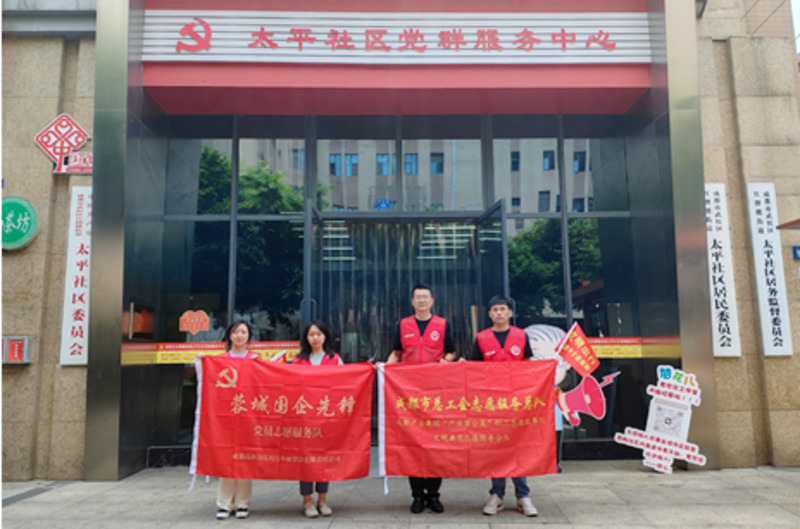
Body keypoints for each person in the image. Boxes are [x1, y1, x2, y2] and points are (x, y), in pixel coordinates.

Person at [386, 284, 456, 514]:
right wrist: (384, 368)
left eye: (426, 297)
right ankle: (417, 495)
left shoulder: (443, 324)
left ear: (432, 300)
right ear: (412, 301)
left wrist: (446, 360)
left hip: (435, 393)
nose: (422, 300)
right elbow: (396, 353)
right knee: (412, 444)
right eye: (418, 297)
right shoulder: (403, 324)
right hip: (409, 394)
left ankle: (433, 495)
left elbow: (451, 352)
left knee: (436, 444)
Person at [466, 295, 538, 517]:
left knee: (518, 446)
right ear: (489, 314)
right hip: (492, 402)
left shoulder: (521, 335)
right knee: (496, 447)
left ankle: (523, 495)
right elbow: (474, 369)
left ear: (509, 313)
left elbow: (528, 365)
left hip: (517, 402)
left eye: (502, 309)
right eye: (495, 310)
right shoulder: (481, 338)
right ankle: (496, 494)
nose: (499, 313)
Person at [292, 320, 343, 518]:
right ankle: (307, 500)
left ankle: (322, 499)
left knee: (323, 459)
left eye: (319, 334)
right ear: (306, 337)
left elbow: (347, 382)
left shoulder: (334, 359)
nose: (315, 338)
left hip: (326, 418)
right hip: (304, 418)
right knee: (305, 460)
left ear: (325, 336)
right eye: (311, 334)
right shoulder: (298, 360)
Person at [215, 319, 261, 520]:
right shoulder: (220, 360)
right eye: (236, 332)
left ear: (249, 336)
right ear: (229, 335)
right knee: (226, 460)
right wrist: (201, 360)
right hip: (225, 419)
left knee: (245, 461)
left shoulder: (256, 359)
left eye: (243, 332)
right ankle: (224, 504)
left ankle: (242, 503)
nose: (239, 336)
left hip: (248, 418)